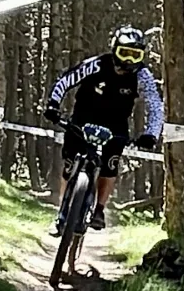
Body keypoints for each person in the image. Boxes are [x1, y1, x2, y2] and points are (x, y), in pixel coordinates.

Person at [42, 26, 164, 235]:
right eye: (124, 53)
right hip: (83, 119)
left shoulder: (143, 75)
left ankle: (99, 209)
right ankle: (61, 214)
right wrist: (53, 105)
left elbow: (155, 104)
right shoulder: (96, 64)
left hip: (115, 125)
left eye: (135, 55)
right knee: (69, 166)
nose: (129, 60)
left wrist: (151, 133)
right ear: (114, 50)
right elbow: (65, 80)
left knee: (110, 165)